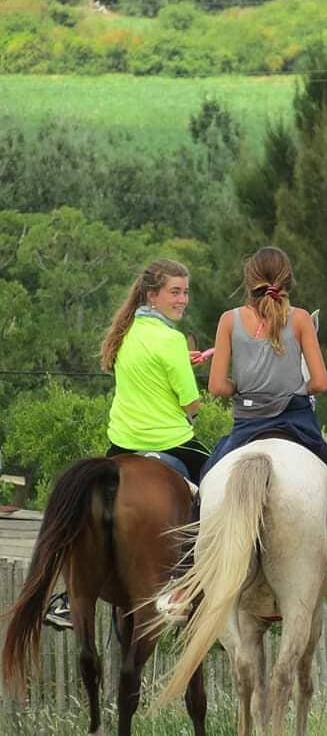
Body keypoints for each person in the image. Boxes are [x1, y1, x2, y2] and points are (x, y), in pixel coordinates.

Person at [167, 246, 327, 626]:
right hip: (298, 424)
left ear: (248, 281)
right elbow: (321, 382)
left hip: (247, 426)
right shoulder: (302, 319)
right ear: (287, 281)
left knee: (206, 484)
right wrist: (290, 388)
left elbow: (219, 388)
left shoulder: (228, 320)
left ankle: (181, 588)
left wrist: (245, 386)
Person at [44, 260, 211, 630]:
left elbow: (146, 369)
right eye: (175, 291)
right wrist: (187, 377)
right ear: (153, 294)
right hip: (173, 442)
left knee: (79, 511)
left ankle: (66, 597)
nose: (183, 299)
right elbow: (192, 405)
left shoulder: (125, 331)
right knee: (218, 489)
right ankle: (186, 576)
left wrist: (178, 364)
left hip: (122, 443)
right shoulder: (171, 340)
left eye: (185, 291)